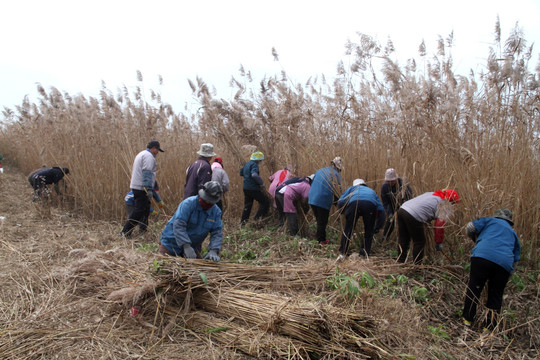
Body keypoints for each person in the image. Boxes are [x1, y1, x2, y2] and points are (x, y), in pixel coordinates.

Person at [462, 208, 521, 331]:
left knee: (474, 288)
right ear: (509, 221)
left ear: (497, 216)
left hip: (482, 256)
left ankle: (467, 320)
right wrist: (507, 275)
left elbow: (470, 227)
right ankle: (488, 328)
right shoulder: (513, 233)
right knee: (496, 295)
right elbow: (516, 258)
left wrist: (475, 240)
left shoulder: (489, 221)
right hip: (504, 264)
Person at [159, 181, 223, 262]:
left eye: (211, 202)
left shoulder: (216, 212)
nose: (208, 203)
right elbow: (179, 225)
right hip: (171, 244)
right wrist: (186, 246)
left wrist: (214, 250)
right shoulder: (188, 204)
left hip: (192, 247)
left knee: (200, 271)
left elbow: (217, 232)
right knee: (164, 268)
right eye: (206, 200)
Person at [396, 188, 459, 264]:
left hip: (402, 209)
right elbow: (439, 225)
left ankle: (400, 261)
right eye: (453, 203)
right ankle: (417, 266)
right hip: (414, 215)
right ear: (451, 201)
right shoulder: (445, 205)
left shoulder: (432, 194)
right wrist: (438, 242)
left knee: (404, 238)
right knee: (419, 242)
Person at [121, 140, 164, 238]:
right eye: (157, 150)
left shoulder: (141, 154)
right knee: (139, 210)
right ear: (154, 148)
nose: (157, 153)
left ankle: (143, 230)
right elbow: (147, 173)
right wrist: (148, 189)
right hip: (142, 188)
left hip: (138, 186)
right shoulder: (149, 157)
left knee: (145, 209)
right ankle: (125, 232)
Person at [337, 179, 385, 259]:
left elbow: (341, 201)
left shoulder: (352, 189)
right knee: (368, 231)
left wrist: (343, 212)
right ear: (364, 184)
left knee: (348, 230)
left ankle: (343, 253)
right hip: (369, 205)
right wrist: (378, 226)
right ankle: (364, 254)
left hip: (354, 204)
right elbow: (381, 210)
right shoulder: (372, 191)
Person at [308, 157, 343, 245]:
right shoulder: (336, 175)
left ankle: (319, 238)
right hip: (322, 199)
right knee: (322, 222)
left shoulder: (321, 170)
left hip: (312, 197)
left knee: (319, 220)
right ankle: (321, 241)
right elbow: (338, 191)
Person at [380, 168, 413, 242]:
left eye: (392, 181)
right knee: (390, 221)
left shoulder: (403, 184)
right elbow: (385, 202)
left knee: (404, 222)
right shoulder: (385, 187)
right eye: (389, 181)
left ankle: (406, 239)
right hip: (391, 206)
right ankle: (385, 238)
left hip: (404, 206)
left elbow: (410, 196)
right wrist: (390, 213)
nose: (391, 182)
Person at [240, 151, 269, 225]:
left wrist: (247, 178)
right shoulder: (254, 165)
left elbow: (241, 173)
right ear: (258, 160)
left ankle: (243, 223)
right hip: (253, 188)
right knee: (265, 202)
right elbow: (254, 175)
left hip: (245, 187)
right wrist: (261, 183)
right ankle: (257, 220)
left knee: (247, 205)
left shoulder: (247, 164)